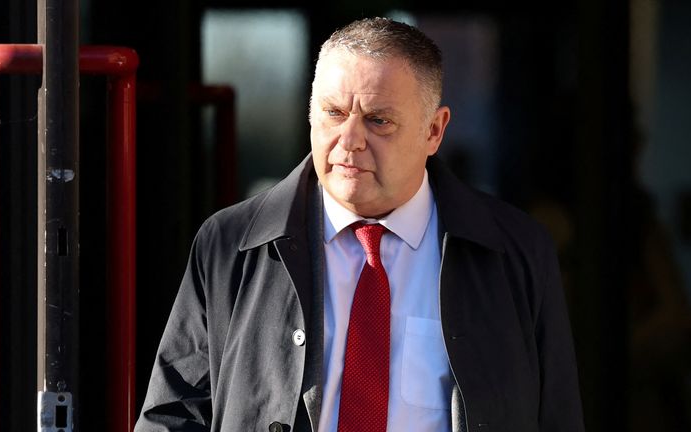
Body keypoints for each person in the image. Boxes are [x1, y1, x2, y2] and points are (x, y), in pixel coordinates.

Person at [134, 17, 584, 432]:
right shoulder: (231, 244)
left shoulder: (516, 251)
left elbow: (557, 418)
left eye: (378, 121)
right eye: (333, 112)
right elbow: (173, 415)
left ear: (434, 131)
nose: (349, 141)